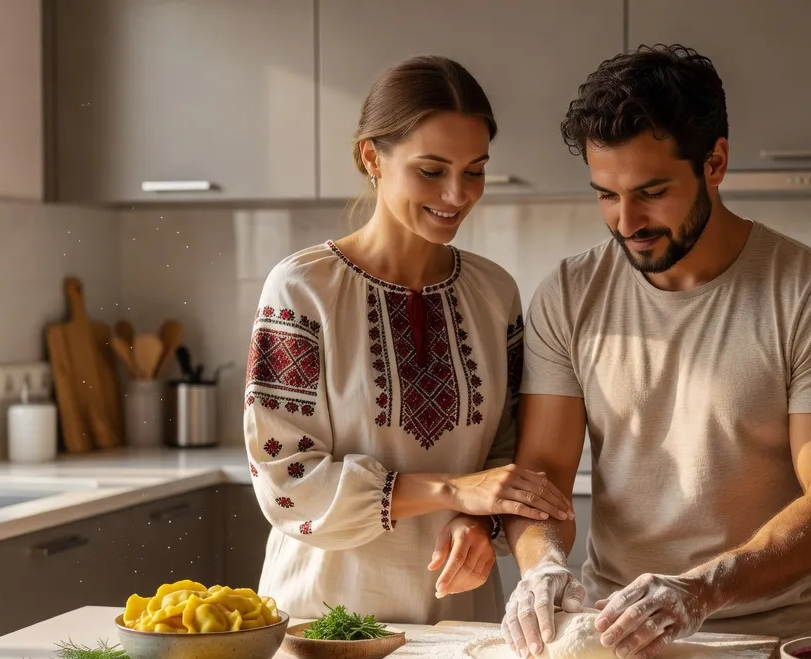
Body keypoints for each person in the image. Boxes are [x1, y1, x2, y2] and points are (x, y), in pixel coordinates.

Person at [498, 44, 811, 659]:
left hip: (767, 642)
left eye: (652, 191)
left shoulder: (810, 293)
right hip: (613, 636)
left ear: (716, 162)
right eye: (605, 195)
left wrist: (701, 590)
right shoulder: (570, 294)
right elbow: (542, 476)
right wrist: (540, 566)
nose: (627, 221)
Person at [243, 55, 573, 626]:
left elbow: (507, 456)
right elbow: (287, 481)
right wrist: (451, 490)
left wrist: (478, 520)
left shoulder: (496, 294)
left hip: (461, 620)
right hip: (324, 623)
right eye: (431, 169)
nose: (457, 193)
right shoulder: (301, 290)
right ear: (372, 157)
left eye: (475, 170)